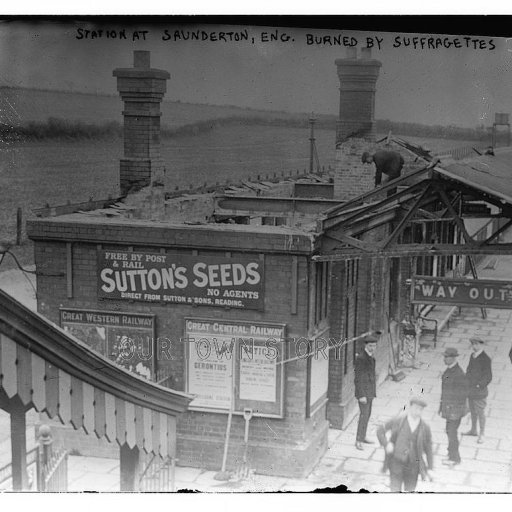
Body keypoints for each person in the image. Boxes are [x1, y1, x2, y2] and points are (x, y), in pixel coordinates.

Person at [377, 397, 434, 492]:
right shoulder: (398, 421)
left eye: (420, 409)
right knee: (395, 490)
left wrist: (430, 468)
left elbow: (429, 449)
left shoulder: (425, 427)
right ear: (410, 407)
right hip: (396, 462)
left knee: (410, 491)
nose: (418, 411)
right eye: (416, 408)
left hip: (413, 467)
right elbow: (380, 431)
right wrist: (386, 444)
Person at [439, 347, 468, 466]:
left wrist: (452, 409)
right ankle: (451, 452)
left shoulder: (458, 373)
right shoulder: (450, 370)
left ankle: (455, 458)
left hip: (455, 410)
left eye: (446, 357)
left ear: (453, 358)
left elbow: (462, 395)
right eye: (444, 356)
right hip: (449, 408)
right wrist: (442, 408)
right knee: (449, 431)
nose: (444, 359)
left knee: (451, 432)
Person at [464, 337, 492, 444]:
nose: (474, 346)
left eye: (476, 344)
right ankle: (473, 430)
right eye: (473, 344)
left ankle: (482, 433)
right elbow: (469, 369)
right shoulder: (473, 356)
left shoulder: (486, 359)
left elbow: (488, 376)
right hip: (470, 389)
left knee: (480, 412)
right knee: (472, 410)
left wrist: (479, 385)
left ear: (481, 345)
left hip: (479, 391)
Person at [354, 334, 378, 450]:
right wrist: (361, 395)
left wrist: (372, 393)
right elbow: (358, 378)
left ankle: (363, 437)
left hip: (370, 392)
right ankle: (358, 440)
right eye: (370, 346)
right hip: (363, 393)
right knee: (363, 416)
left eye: (374, 346)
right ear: (365, 345)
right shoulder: (361, 358)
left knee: (367, 415)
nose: (372, 348)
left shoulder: (371, 358)